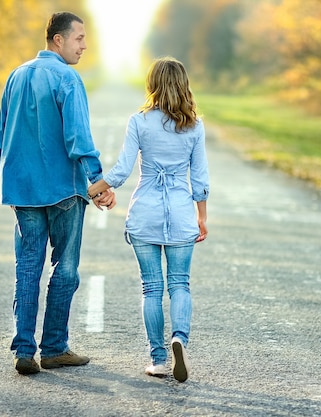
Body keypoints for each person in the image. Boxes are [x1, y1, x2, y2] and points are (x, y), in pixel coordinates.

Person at [0, 11, 116, 375]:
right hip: (64, 190)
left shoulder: (16, 76)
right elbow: (78, 138)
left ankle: (24, 350)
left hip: (23, 191)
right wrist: (96, 182)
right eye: (79, 38)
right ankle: (54, 348)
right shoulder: (67, 78)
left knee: (28, 266)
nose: (84, 45)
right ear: (58, 40)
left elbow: (0, 135)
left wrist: (9, 175)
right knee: (66, 268)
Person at [87, 57, 209, 382]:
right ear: (184, 85)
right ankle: (179, 338)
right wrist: (202, 217)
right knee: (180, 283)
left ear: (151, 84)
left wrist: (91, 190)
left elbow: (122, 170)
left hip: (145, 214)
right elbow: (200, 179)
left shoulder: (139, 121)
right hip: (182, 214)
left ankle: (157, 359)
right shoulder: (194, 126)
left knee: (151, 288)